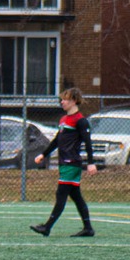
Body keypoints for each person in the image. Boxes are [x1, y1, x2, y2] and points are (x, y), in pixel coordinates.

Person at [30, 87, 96, 237]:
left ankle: (47, 227)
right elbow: (57, 141)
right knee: (76, 196)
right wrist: (44, 154)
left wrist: (91, 162)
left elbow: (88, 142)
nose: (62, 102)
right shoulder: (64, 120)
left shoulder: (81, 121)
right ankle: (88, 228)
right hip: (64, 162)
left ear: (73, 101)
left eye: (65, 99)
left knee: (61, 194)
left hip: (71, 163)